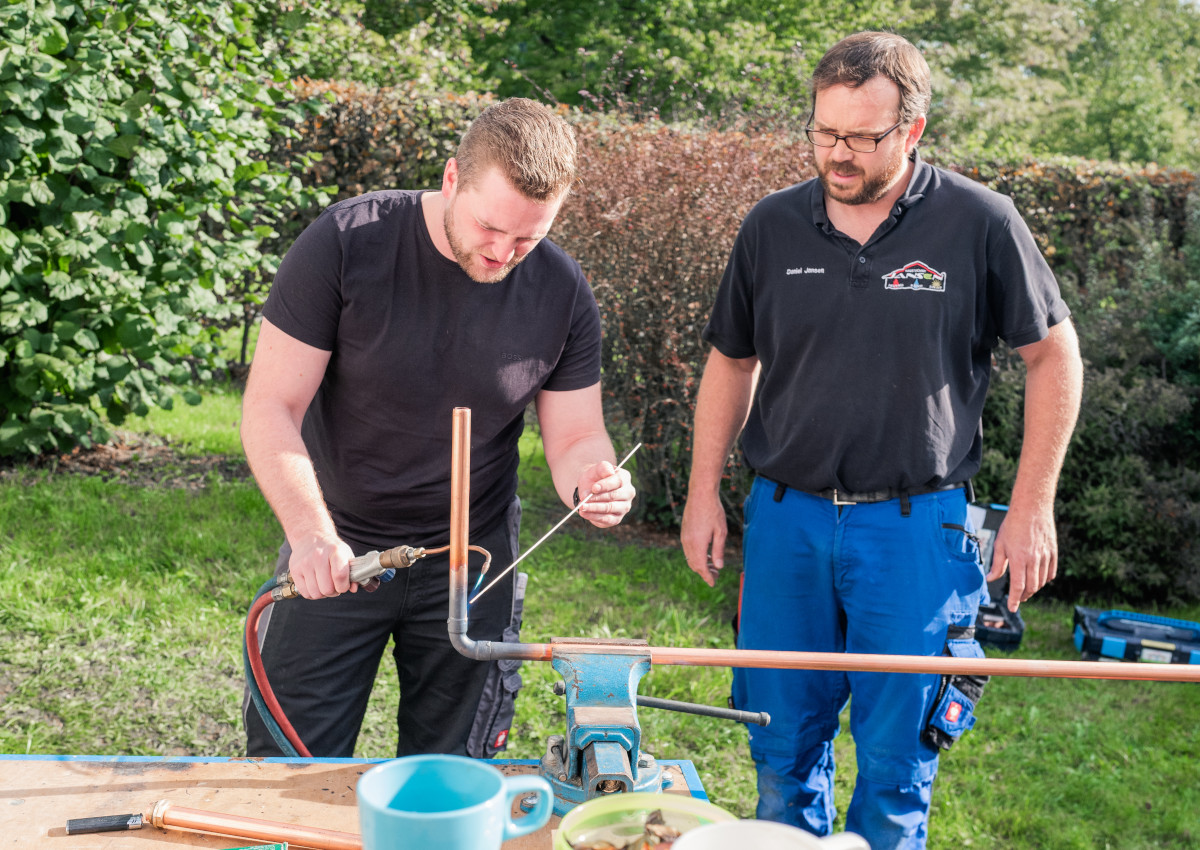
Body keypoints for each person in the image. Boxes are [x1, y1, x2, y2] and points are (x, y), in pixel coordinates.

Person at [680, 31, 1083, 850]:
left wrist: (1033, 506)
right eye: (824, 132)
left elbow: (1055, 356)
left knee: (898, 759)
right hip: (786, 521)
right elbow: (730, 361)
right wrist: (701, 494)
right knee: (779, 739)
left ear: (914, 130)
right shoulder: (772, 227)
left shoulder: (980, 222)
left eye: (863, 137)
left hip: (913, 530)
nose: (839, 153)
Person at [241, 97, 635, 759]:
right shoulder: (347, 242)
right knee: (288, 767)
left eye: (528, 239)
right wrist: (311, 537)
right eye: (490, 228)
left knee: (456, 776)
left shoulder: (561, 291)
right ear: (451, 179)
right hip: (338, 545)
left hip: (474, 559)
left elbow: (575, 439)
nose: (504, 253)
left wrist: (595, 479)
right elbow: (270, 408)